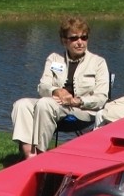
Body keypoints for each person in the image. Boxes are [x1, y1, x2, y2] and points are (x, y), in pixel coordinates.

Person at [10, 17, 109, 160]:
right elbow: (43, 86)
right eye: (74, 38)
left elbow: (101, 98)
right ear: (64, 41)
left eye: (84, 37)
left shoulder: (98, 63)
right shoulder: (54, 59)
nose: (80, 42)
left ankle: (40, 155)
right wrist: (55, 91)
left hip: (81, 111)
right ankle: (29, 156)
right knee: (21, 104)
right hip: (55, 105)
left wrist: (77, 101)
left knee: (45, 103)